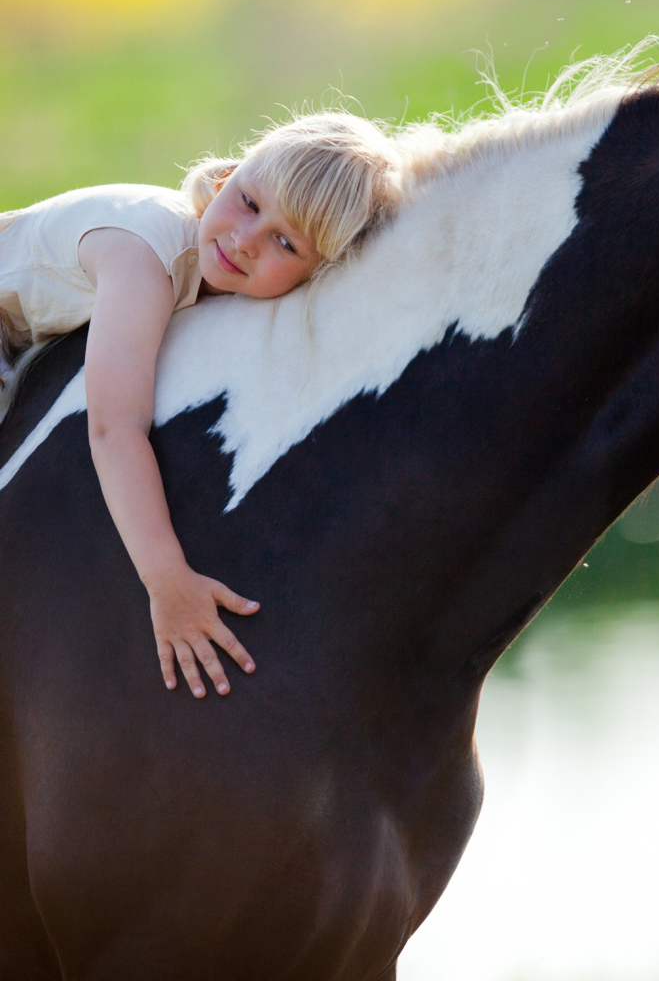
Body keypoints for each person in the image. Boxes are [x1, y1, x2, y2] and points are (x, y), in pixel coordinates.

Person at [0, 111, 401, 698]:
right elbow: (114, 428)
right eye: (249, 203)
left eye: (285, 242)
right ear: (224, 180)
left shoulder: (214, 268)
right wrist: (167, 579)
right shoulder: (144, 261)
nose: (245, 240)